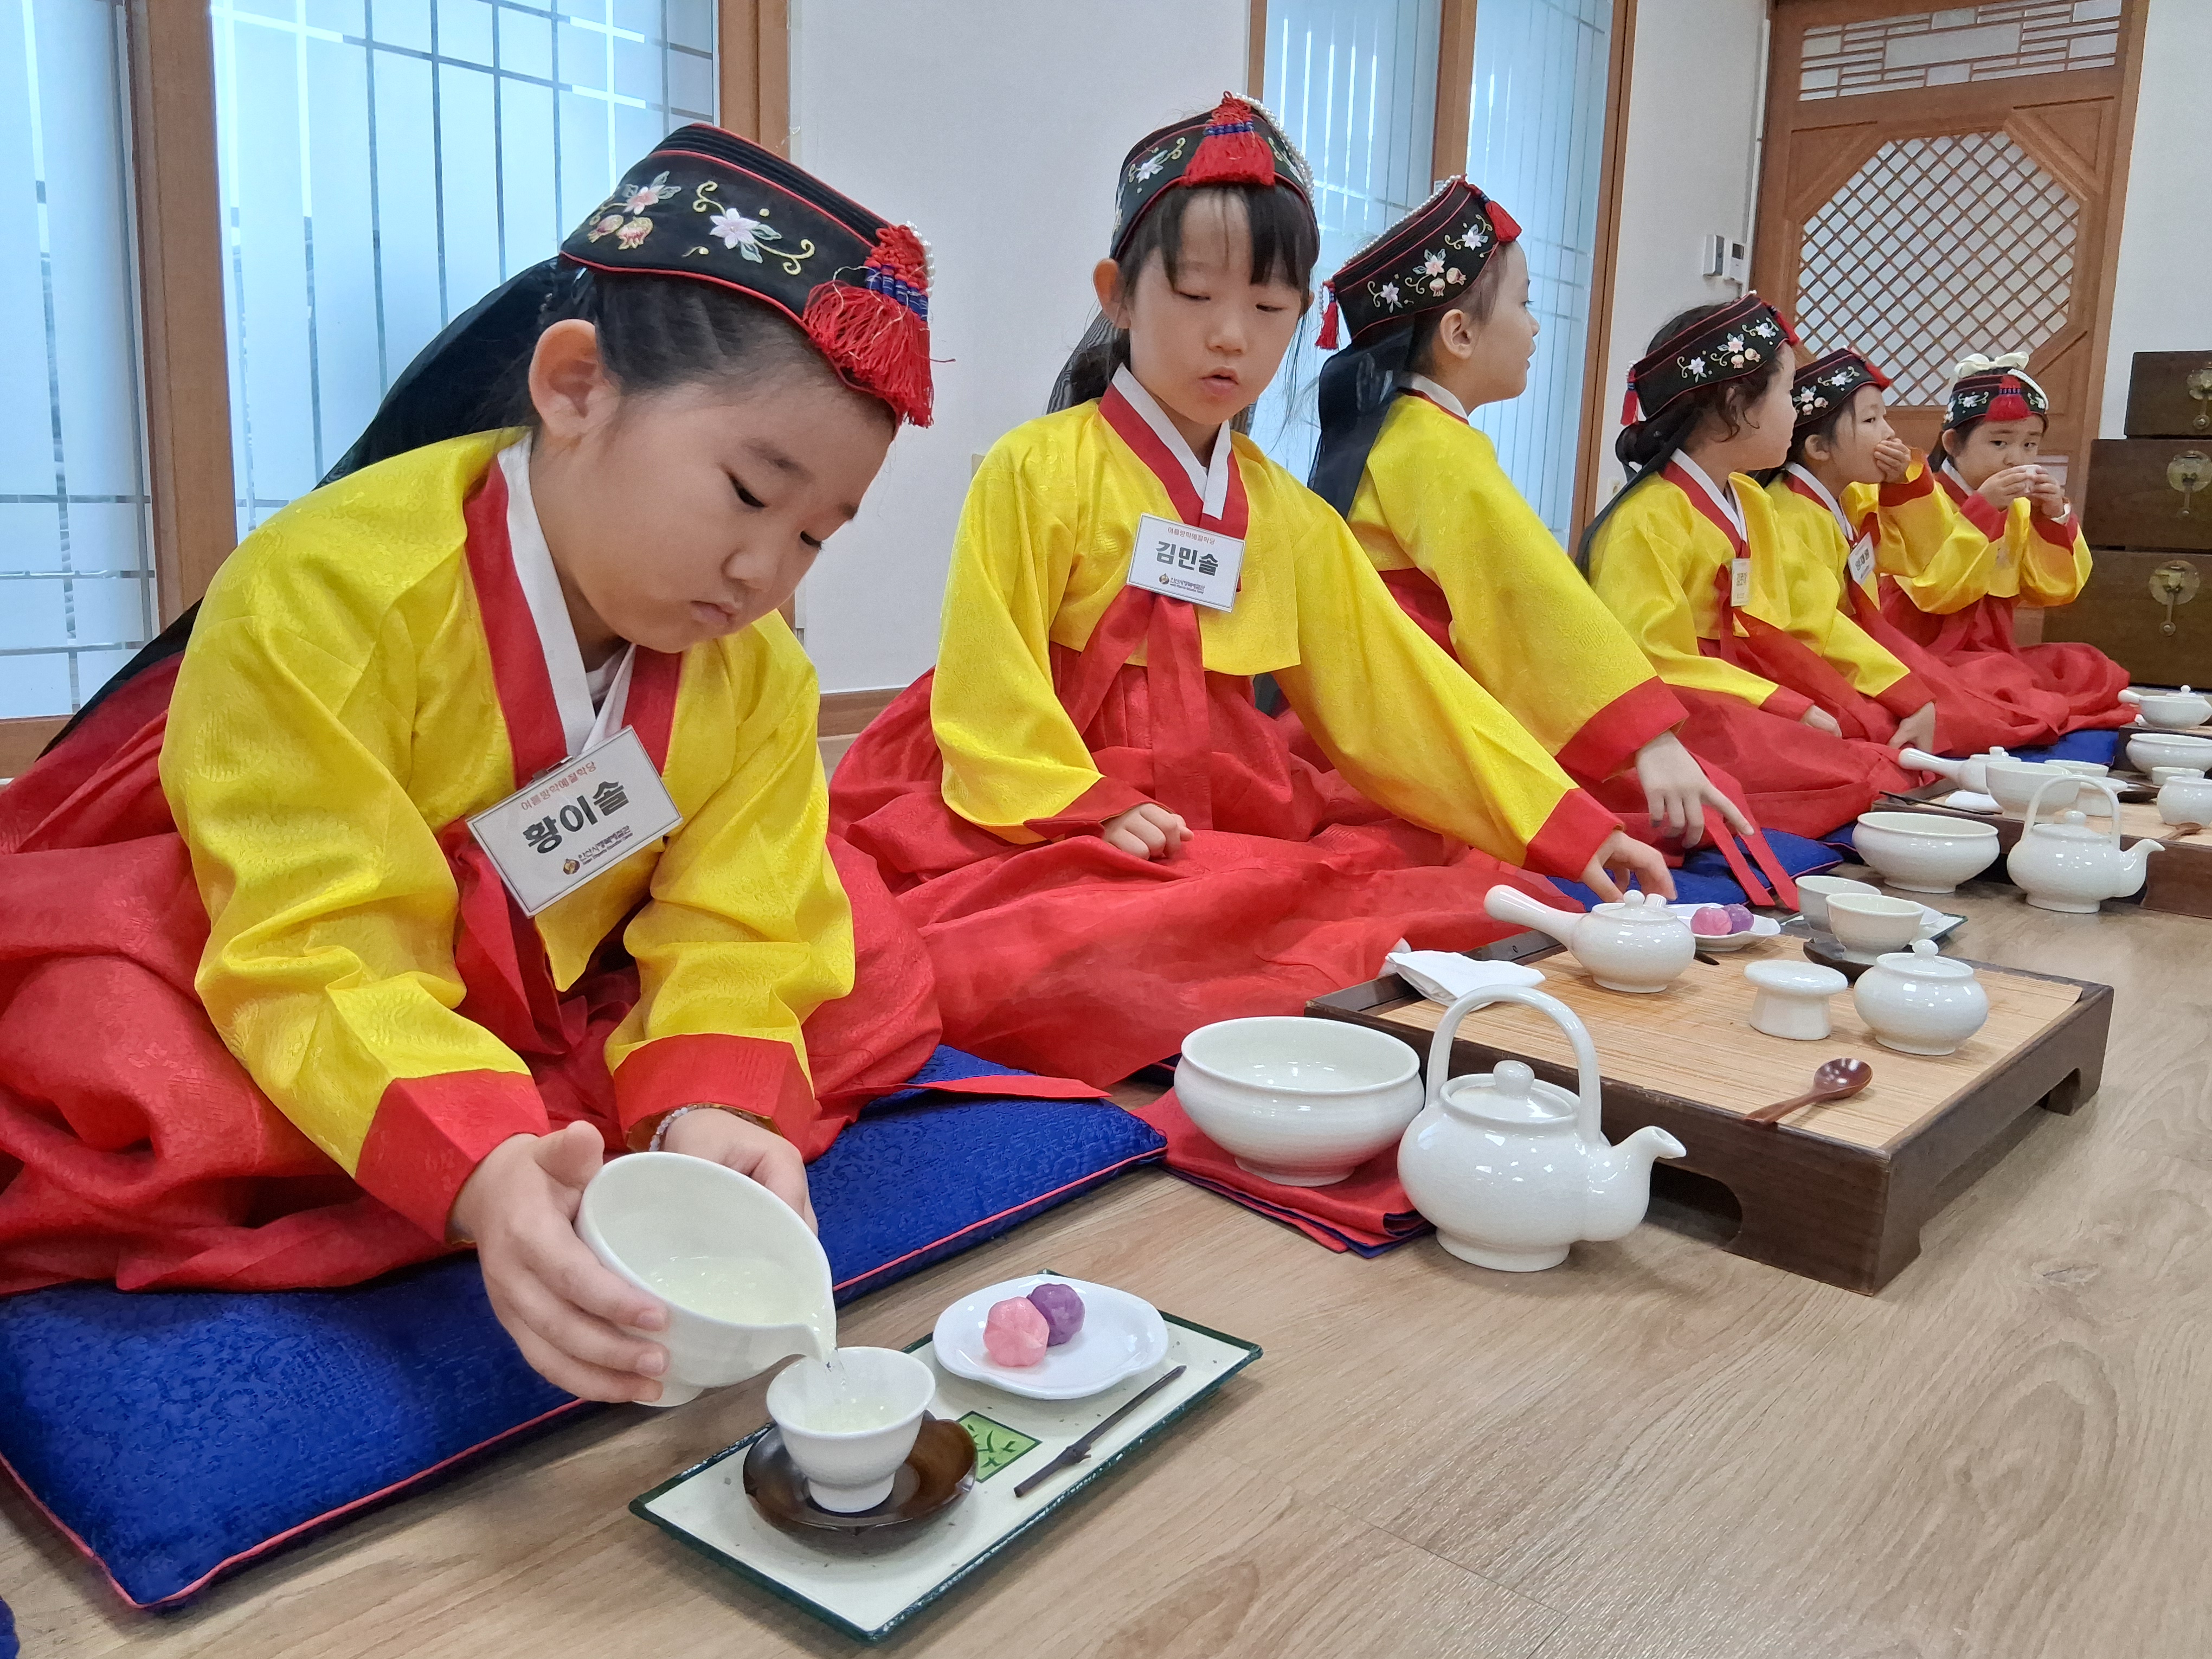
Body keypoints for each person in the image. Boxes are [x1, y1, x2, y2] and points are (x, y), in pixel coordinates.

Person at [0, 125, 942, 1405]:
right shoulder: (323, 589)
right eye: (744, 491)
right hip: (323, 927)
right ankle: (480, 1121)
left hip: (568, 954)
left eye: (816, 537)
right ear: (575, 387)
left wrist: (715, 1110)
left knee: (863, 954)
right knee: (119, 1047)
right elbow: (313, 932)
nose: (762, 573)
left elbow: (740, 911)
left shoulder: (759, 670)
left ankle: (580, 1103)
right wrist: (480, 1164)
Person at [832, 96, 1668, 1086]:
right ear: (1118, 295)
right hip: (1042, 790)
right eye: (1195, 295)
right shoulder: (1034, 467)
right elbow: (990, 672)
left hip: (1229, 802)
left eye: (1270, 310)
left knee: (1394, 903)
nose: (1230, 338)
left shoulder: (1292, 519)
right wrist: (1082, 806)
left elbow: (1402, 694)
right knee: (1016, 954)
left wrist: (1571, 824)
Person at [1304, 178, 1793, 903]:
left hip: (1415, 711)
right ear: (1460, 335)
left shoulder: (1411, 435)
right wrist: (1647, 739)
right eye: (1524, 303)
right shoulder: (1433, 448)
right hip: (1419, 726)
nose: (1535, 327)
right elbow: (1528, 600)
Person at [1579, 299, 1914, 836]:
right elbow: (1650, 660)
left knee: (1875, 742)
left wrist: (1896, 688)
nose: (1796, 411)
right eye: (1786, 393)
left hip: (1745, 684)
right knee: (1853, 778)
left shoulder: (1750, 500)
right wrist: (1777, 702)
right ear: (1737, 405)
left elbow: (1797, 618)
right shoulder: (1646, 519)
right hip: (1684, 710)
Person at [1764, 349, 2061, 754]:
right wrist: (1904, 690)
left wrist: (2054, 518)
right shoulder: (1790, 513)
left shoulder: (1846, 497)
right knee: (1963, 711)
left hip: (1874, 649)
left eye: (2030, 444)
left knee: (2017, 690)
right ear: (1818, 447)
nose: (1890, 435)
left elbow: (1919, 557)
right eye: (1872, 421)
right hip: (1854, 652)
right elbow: (1929, 585)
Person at [1870, 352, 2129, 732]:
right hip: (1925, 649)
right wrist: (1984, 511)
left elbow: (2052, 591)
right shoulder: (1916, 495)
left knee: (2088, 667)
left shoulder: (2021, 507)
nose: (2015, 459)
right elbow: (1935, 594)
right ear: (1953, 443)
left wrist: (2052, 519)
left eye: (2029, 445)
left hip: (1994, 650)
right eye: (1999, 442)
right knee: (1995, 681)